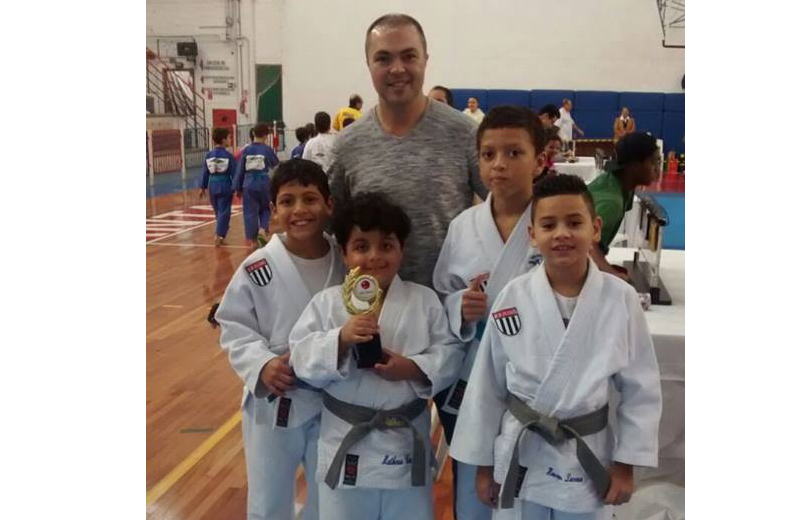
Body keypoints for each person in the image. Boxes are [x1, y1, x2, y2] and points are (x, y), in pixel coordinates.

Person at [450, 173, 662, 520]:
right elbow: (487, 386)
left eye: (574, 222)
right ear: (533, 236)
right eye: (549, 224)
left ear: (595, 229)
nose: (562, 233)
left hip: (587, 453)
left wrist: (626, 464)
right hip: (522, 451)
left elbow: (642, 389)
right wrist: (484, 465)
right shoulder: (513, 297)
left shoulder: (620, 299)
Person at [288, 192, 463, 520]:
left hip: (405, 445)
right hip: (346, 443)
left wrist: (413, 368)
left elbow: (450, 355)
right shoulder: (327, 304)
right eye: (361, 246)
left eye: (386, 245)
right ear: (344, 253)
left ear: (402, 250)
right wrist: (340, 339)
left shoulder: (423, 300)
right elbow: (299, 357)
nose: (374, 257)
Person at [432, 105, 546, 520]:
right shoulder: (464, 225)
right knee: (473, 484)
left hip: (535, 380)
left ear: (540, 160)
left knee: (528, 493)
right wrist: (460, 307)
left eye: (514, 153)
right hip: (474, 374)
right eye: (488, 154)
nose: (499, 165)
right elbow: (442, 291)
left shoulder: (553, 224)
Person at [215, 158, 347, 520]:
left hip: (332, 400)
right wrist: (261, 364)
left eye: (310, 199)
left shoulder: (347, 263)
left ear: (329, 205)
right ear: (273, 209)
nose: (300, 210)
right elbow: (234, 325)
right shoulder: (258, 265)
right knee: (268, 501)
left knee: (330, 499)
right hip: (275, 399)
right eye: (288, 201)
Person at [329, 13, 486, 290]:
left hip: (448, 314)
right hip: (372, 317)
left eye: (409, 56)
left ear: (425, 59)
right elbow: (330, 230)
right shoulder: (347, 145)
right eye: (384, 58)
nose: (397, 69)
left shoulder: (464, 134)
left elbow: (504, 208)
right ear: (368, 64)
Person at [588, 132, 660, 280]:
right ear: (634, 167)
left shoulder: (620, 184)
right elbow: (585, 245)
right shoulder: (612, 202)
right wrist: (612, 274)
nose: (658, 169)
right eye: (654, 162)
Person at [234, 122, 280, 250]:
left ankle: (253, 241)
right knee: (266, 208)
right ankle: (263, 229)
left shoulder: (246, 150)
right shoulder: (267, 149)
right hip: (264, 182)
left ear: (253, 133)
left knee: (249, 212)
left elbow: (240, 170)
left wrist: (238, 188)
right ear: (266, 136)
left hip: (248, 184)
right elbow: (275, 165)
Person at [199, 127, 237, 246]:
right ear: (223, 139)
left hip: (212, 186)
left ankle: (221, 233)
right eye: (229, 137)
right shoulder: (228, 156)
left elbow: (205, 172)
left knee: (218, 212)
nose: (230, 140)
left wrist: (202, 187)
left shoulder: (209, 155)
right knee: (224, 211)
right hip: (225, 184)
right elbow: (234, 173)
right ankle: (219, 234)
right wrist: (237, 187)